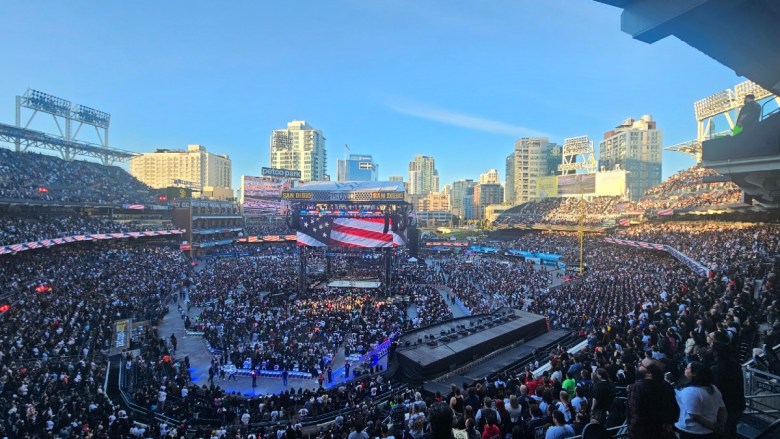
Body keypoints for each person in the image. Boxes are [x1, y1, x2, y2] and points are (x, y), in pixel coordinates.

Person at [626, 358, 678, 439]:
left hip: (645, 433)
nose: (638, 365)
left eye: (641, 365)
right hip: (662, 430)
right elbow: (674, 410)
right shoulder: (666, 385)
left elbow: (635, 416)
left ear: (649, 373)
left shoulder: (638, 388)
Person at [674, 362, 727, 439]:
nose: (685, 369)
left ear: (694, 373)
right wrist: (721, 425)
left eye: (688, 368)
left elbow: (694, 416)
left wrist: (714, 428)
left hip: (692, 431)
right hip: (710, 431)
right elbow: (722, 409)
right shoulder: (713, 388)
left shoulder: (691, 391)